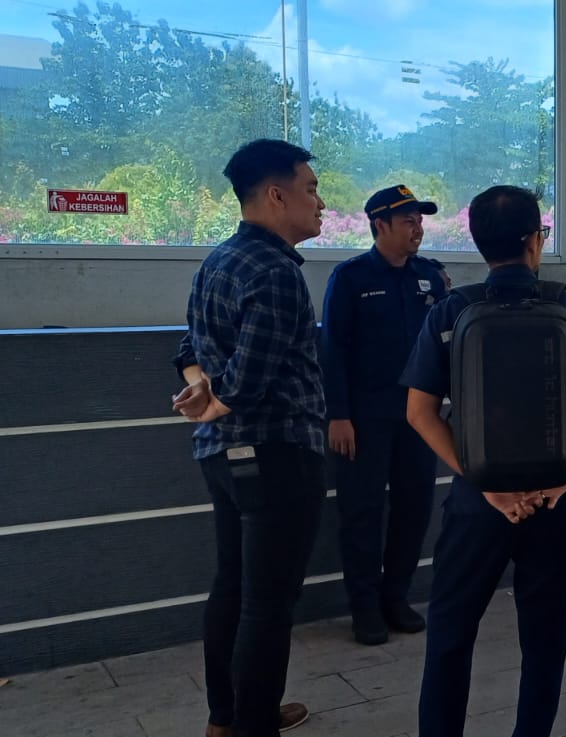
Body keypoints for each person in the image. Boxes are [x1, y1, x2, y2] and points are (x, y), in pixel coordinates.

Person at [402, 185, 566, 737]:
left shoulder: (451, 312)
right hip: (560, 502)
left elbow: (419, 413)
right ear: (536, 240)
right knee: (544, 642)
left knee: (450, 636)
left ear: (479, 243)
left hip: (479, 502)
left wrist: (484, 482)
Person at [170, 138, 327, 737]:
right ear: (276, 195)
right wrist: (215, 401)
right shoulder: (276, 272)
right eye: (311, 189)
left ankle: (227, 719)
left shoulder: (219, 260)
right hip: (278, 454)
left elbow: (188, 347)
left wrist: (201, 391)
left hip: (224, 459)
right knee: (268, 602)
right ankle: (253, 724)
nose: (319, 202)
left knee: (233, 588)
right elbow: (251, 379)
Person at [320, 185, 448, 645]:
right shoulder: (351, 277)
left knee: (414, 508)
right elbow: (333, 350)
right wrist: (338, 415)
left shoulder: (430, 277)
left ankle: (396, 597)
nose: (418, 228)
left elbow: (443, 344)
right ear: (380, 225)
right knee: (363, 512)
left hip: (418, 417)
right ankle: (364, 607)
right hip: (363, 419)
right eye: (408, 220)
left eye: (420, 220)